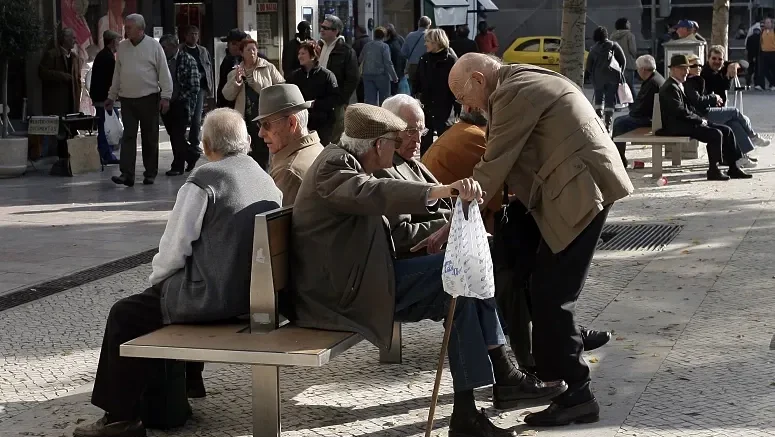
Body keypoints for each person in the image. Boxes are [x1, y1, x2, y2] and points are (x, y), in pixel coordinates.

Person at [290, 103, 568, 437]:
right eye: (395, 141)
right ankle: (502, 376)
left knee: (461, 283)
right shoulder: (332, 166)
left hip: (361, 281)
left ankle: (474, 406)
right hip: (338, 296)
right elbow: (373, 192)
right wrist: (441, 191)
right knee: (459, 277)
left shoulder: (346, 161)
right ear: (379, 145)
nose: (396, 151)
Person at [448, 53, 634, 426]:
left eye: (463, 96)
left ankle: (577, 392)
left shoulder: (512, 93)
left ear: (479, 79)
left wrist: (458, 209)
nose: (464, 107)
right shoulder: (517, 80)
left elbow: (495, 161)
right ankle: (551, 364)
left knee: (551, 294)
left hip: (581, 191)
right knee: (536, 282)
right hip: (574, 186)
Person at [72, 108, 283, 437]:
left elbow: (173, 250)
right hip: (252, 298)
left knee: (126, 313)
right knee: (169, 293)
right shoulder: (264, 177)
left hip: (216, 301)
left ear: (207, 144)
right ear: (244, 143)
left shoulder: (204, 181)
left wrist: (157, 286)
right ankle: (188, 381)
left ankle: (120, 419)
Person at [375, 94, 450, 256]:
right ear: (389, 128)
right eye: (410, 131)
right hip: (415, 257)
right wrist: (448, 227)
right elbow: (399, 236)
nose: (418, 139)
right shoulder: (384, 168)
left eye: (421, 131)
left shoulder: (409, 160)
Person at [657, 54, 751, 181]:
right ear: (672, 69)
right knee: (715, 134)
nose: (686, 72)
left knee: (727, 130)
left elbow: (687, 110)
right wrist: (700, 120)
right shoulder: (670, 87)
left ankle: (733, 167)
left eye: (687, 68)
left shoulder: (679, 84)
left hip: (687, 122)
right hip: (678, 126)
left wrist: (700, 119)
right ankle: (714, 170)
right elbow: (679, 112)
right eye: (682, 69)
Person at [106, 14, 173, 187]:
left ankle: (150, 173)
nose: (125, 31)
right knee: (128, 136)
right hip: (127, 99)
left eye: (129, 28)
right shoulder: (122, 47)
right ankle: (126, 174)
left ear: (140, 29)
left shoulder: (154, 46)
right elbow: (117, 74)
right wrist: (111, 96)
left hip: (149, 98)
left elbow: (164, 73)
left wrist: (166, 96)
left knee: (149, 136)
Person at [685, 54, 767, 167]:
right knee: (734, 112)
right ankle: (752, 137)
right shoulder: (695, 79)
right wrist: (713, 98)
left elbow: (744, 64)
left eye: (699, 65)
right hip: (702, 115)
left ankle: (740, 157)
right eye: (694, 65)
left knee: (734, 124)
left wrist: (734, 64)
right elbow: (697, 101)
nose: (698, 67)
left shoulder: (701, 77)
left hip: (709, 110)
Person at [222, 38, 285, 170]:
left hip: (264, 116)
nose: (252, 52)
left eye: (254, 49)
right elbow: (227, 95)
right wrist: (237, 82)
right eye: (248, 50)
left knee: (263, 151)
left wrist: (256, 84)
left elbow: (281, 86)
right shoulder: (235, 72)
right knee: (246, 151)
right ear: (241, 53)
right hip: (245, 118)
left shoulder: (268, 67)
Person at [256, 84, 323, 205]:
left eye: (266, 124)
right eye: (259, 125)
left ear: (292, 123)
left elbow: (271, 222)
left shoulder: (288, 171)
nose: (261, 133)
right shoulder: (317, 148)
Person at [39, 27, 82, 177]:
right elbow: (42, 73)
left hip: (71, 101)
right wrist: (61, 76)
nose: (75, 41)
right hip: (57, 101)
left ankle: (68, 161)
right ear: (64, 39)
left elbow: (77, 80)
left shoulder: (75, 58)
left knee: (69, 132)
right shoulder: (52, 55)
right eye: (72, 38)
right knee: (59, 133)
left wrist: (78, 99)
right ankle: (61, 161)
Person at [612, 54, 665, 167]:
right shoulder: (656, 78)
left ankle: (618, 160)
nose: (637, 72)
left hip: (651, 119)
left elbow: (641, 108)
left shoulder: (652, 83)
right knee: (620, 121)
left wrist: (632, 113)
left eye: (637, 69)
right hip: (654, 116)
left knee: (619, 123)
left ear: (643, 69)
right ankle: (618, 157)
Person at [159, 34, 202, 176]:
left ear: (173, 46)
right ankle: (191, 154)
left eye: (164, 47)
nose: (162, 50)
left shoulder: (187, 60)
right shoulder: (162, 61)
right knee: (174, 135)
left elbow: (194, 86)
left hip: (181, 104)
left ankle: (178, 166)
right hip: (166, 103)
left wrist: (180, 99)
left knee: (177, 135)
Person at [414, 28, 458, 156]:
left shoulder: (451, 60)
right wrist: (416, 96)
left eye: (427, 41)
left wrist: (457, 106)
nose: (425, 44)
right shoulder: (424, 59)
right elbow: (417, 80)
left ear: (436, 42)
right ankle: (424, 168)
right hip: (426, 107)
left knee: (446, 143)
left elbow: (456, 85)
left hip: (444, 108)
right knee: (425, 143)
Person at [286, 41, 339, 146]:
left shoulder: (327, 75)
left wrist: (316, 104)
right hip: (301, 122)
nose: (300, 56)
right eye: (299, 53)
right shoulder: (294, 76)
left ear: (313, 55)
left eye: (303, 53)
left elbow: (334, 99)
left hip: (322, 123)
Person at [318, 15, 360, 143]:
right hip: (321, 99)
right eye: (321, 27)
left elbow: (353, 78)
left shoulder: (346, 51)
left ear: (335, 31)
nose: (322, 30)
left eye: (325, 28)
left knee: (336, 135)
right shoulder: (320, 47)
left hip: (336, 101)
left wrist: (341, 98)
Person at [181, 25, 214, 163]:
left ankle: (194, 143)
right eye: (191, 34)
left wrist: (210, 88)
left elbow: (208, 69)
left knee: (196, 117)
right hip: (184, 88)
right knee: (183, 117)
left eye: (196, 34)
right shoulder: (180, 50)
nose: (194, 36)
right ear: (186, 36)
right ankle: (183, 144)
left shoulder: (203, 51)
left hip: (199, 88)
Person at [90, 30, 122, 165]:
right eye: (118, 40)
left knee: (107, 125)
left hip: (103, 98)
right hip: (104, 99)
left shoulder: (104, 56)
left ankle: (107, 153)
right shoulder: (107, 58)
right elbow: (111, 80)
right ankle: (106, 154)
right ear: (113, 41)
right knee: (107, 127)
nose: (119, 43)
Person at [586, 26, 626, 132]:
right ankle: (608, 124)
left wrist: (593, 75)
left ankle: (599, 122)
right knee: (610, 101)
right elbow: (623, 60)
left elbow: (589, 66)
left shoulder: (593, 49)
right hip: (612, 77)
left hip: (598, 78)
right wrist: (620, 72)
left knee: (599, 100)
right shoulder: (613, 46)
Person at [359, 27, 399, 106]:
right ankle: (382, 116)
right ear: (384, 36)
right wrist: (394, 77)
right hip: (381, 75)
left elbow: (360, 59)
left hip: (367, 74)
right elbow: (388, 62)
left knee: (370, 101)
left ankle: (370, 116)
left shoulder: (367, 45)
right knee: (384, 100)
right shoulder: (384, 46)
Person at [217, 28, 248, 109]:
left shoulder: (254, 59)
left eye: (233, 43)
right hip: (229, 104)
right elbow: (222, 85)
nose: (229, 46)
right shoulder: (227, 60)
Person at [401, 16, 431, 93]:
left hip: (412, 66)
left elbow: (403, 53)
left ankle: (414, 101)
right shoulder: (430, 36)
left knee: (413, 88)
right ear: (429, 25)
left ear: (418, 24)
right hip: (427, 65)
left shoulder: (410, 35)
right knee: (425, 87)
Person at [610, 18, 638, 96]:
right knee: (630, 86)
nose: (630, 24)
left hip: (616, 64)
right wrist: (634, 56)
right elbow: (632, 50)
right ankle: (634, 106)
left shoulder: (612, 36)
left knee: (617, 86)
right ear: (625, 25)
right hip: (628, 64)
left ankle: (617, 105)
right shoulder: (630, 35)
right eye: (628, 23)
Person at [385, 24, 407, 96]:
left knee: (393, 91)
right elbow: (405, 53)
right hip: (400, 69)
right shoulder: (400, 39)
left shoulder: (387, 44)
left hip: (392, 70)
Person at [758, 17, 775, 90]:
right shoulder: (762, 32)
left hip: (773, 52)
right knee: (764, 70)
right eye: (766, 23)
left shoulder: (774, 31)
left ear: (772, 24)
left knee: (773, 69)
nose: (767, 24)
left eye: (768, 22)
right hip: (764, 53)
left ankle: (773, 84)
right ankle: (767, 83)